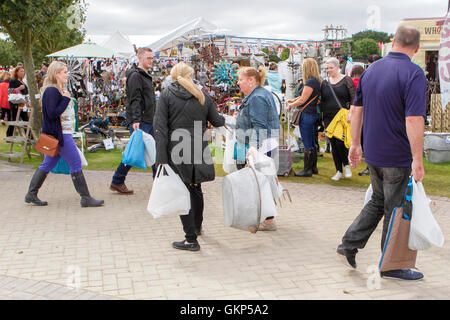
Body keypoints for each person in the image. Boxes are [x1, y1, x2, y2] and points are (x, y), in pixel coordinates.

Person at [337, 26, 426, 281]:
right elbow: (413, 119)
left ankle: (349, 243)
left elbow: (356, 110)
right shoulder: (414, 73)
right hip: (397, 154)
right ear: (417, 48)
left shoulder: (371, 70)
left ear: (393, 42)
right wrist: (418, 160)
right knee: (396, 208)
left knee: (378, 200)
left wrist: (355, 144)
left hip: (374, 152)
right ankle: (390, 264)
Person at [154, 62, 225, 251]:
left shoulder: (167, 94)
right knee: (195, 188)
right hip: (197, 145)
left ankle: (190, 238)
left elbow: (160, 127)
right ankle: (197, 227)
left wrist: (160, 157)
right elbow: (217, 121)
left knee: (183, 190)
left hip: (177, 146)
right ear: (190, 75)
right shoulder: (202, 95)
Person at [24, 61, 104, 207]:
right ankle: (85, 197)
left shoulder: (54, 90)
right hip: (60, 135)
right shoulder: (51, 91)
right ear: (56, 73)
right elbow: (52, 113)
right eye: (65, 72)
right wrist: (66, 99)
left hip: (59, 133)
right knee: (75, 162)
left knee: (48, 163)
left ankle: (31, 193)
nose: (68, 74)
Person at [235, 66, 280, 231]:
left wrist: (253, 148)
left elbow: (260, 126)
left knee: (261, 182)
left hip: (260, 145)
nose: (238, 82)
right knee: (261, 182)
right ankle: (263, 217)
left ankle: (268, 221)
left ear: (251, 80)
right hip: (262, 143)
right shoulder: (258, 94)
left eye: (240, 79)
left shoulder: (257, 98)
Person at [110, 47, 157, 194]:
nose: (151, 60)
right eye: (148, 58)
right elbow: (134, 99)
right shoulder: (136, 76)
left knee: (150, 151)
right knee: (138, 152)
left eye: (152, 58)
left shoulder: (144, 75)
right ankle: (118, 180)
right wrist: (136, 119)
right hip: (142, 120)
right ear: (140, 58)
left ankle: (118, 181)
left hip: (148, 118)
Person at [320, 57, 355, 181]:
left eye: (331, 67)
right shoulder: (324, 82)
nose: (329, 70)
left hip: (342, 116)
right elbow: (322, 101)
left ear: (337, 67)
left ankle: (346, 165)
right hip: (329, 116)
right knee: (333, 144)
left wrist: (351, 112)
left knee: (341, 142)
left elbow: (353, 98)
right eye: (327, 68)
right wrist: (323, 118)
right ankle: (338, 170)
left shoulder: (346, 80)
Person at [286, 58, 322, 177]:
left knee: (307, 142)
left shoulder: (310, 82)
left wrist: (291, 105)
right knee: (311, 141)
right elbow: (305, 97)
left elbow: (303, 99)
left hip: (307, 114)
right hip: (312, 114)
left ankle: (307, 170)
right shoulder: (316, 81)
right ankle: (313, 167)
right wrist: (294, 100)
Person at [6, 66, 29, 136]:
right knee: (15, 118)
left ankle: (29, 135)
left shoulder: (23, 82)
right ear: (16, 72)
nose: (23, 73)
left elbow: (26, 92)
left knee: (25, 119)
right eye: (21, 71)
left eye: (23, 71)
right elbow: (9, 91)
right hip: (15, 103)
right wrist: (19, 88)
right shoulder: (13, 80)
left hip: (23, 103)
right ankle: (9, 134)